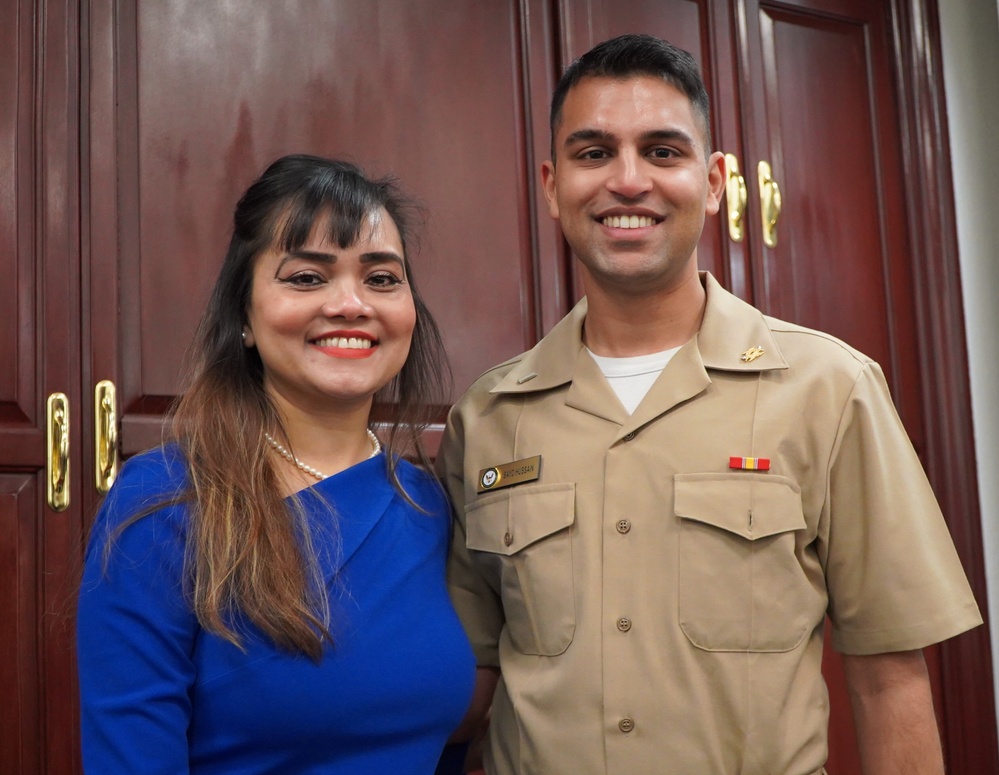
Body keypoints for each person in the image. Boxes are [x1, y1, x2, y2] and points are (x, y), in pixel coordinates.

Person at [438, 34, 982, 774]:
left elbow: (889, 677)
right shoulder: (487, 417)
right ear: (550, 183)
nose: (627, 181)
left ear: (716, 179)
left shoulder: (828, 387)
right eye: (593, 153)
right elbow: (466, 684)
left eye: (663, 151)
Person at [77, 154, 477, 774]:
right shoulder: (164, 501)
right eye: (307, 277)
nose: (351, 304)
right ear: (243, 315)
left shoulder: (430, 506)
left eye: (381, 278)